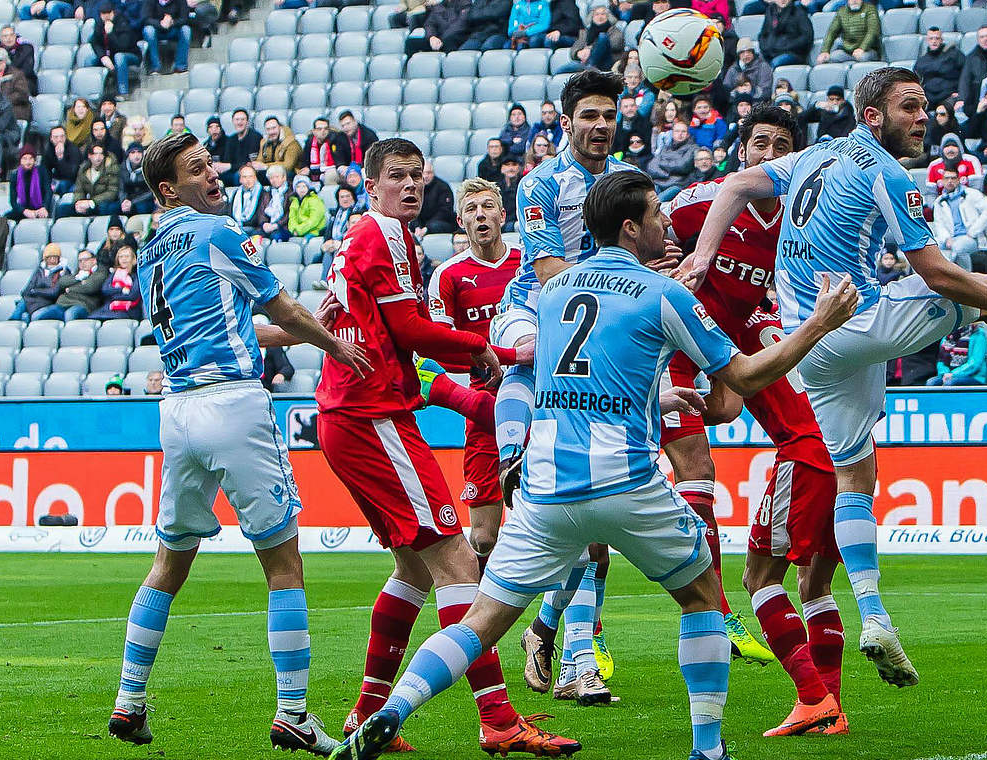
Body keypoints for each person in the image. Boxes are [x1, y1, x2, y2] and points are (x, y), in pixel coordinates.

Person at [333, 167, 860, 760]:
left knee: (479, 621)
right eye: (659, 215)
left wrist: (642, 399)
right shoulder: (666, 294)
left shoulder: (551, 293)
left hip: (545, 491)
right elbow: (740, 377)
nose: (668, 224)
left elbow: (556, 380)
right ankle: (708, 749)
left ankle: (391, 710)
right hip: (627, 485)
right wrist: (818, 324)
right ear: (632, 228)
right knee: (703, 596)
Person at [684, 67, 987, 689]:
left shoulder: (814, 155)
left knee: (855, 474)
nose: (925, 117)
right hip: (853, 318)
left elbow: (734, 183)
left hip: (807, 342)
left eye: (926, 106)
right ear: (873, 117)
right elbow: (936, 273)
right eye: (910, 107)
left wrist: (703, 254)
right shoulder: (886, 172)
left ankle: (873, 615)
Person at [270, 137, 574, 757]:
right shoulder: (381, 236)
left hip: (357, 412)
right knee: (460, 565)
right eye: (396, 177)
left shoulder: (388, 239)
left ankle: (367, 715)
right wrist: (478, 348)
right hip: (371, 412)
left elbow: (385, 324)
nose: (409, 186)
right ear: (372, 182)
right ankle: (498, 719)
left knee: (413, 567)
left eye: (417, 176)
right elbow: (409, 329)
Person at [105, 130, 370, 754]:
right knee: (283, 561)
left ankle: (129, 698)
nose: (213, 173)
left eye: (209, 163)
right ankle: (294, 712)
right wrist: (334, 344)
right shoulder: (218, 232)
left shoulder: (149, 254)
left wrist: (304, 333)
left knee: (169, 563)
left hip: (177, 411)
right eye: (198, 169)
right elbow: (281, 309)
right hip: (233, 404)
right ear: (170, 188)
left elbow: (229, 325)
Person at [663, 102, 856, 736]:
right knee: (813, 584)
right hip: (701, 345)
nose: (768, 154)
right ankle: (822, 701)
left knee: (771, 578)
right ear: (742, 150)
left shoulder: (809, 225)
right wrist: (666, 261)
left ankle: (813, 695)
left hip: (767, 373)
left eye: (781, 144)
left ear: (794, 158)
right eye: (759, 143)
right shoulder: (708, 202)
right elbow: (654, 227)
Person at [491, 71, 638, 695]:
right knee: (525, 355)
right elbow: (551, 272)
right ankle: (514, 450)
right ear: (565, 119)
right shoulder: (541, 184)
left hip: (603, 326)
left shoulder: (628, 183)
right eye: (590, 115)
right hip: (540, 309)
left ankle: (549, 629)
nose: (601, 126)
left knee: (595, 528)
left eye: (609, 115)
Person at [427, 178, 523, 564]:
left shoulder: (528, 262)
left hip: (539, 402)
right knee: (483, 537)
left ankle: (571, 624)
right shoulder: (448, 275)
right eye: (471, 209)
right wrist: (495, 357)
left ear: (503, 215)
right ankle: (480, 622)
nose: (480, 215)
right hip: (483, 409)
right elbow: (441, 347)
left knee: (566, 528)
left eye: (487, 207)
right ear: (460, 221)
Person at [931, 167, 987, 272]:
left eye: (953, 178)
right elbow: (939, 224)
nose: (950, 181)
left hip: (972, 237)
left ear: (959, 180)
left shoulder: (972, 194)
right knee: (930, 248)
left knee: (959, 247)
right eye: (947, 178)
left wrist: (973, 232)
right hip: (950, 238)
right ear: (942, 181)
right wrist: (946, 238)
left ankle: (966, 277)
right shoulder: (939, 201)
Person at [55, 144, 122, 219]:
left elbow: (112, 192)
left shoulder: (111, 168)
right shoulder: (84, 169)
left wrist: (91, 202)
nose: (98, 157)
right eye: (95, 154)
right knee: (62, 209)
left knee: (104, 207)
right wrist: (78, 203)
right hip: (89, 203)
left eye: (101, 154)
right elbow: (79, 190)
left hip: (103, 202)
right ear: (89, 156)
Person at [92, 1, 141, 98]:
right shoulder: (99, 23)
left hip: (130, 55)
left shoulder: (122, 22)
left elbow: (123, 46)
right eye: (103, 14)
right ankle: (93, 92)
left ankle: (123, 92)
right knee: (89, 59)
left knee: (119, 57)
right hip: (109, 56)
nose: (106, 16)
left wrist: (110, 33)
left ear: (113, 12)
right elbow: (94, 42)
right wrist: (103, 57)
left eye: (108, 13)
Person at [13, 243, 70, 321]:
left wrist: (35, 291)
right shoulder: (39, 271)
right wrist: (35, 291)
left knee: (32, 310)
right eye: (50, 257)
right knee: (24, 300)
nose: (52, 259)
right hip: (34, 300)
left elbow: (54, 292)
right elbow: (26, 290)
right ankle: (12, 321)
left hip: (50, 303)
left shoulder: (63, 272)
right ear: (45, 258)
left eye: (55, 257)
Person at [913, 27, 965, 109]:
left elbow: (966, 75)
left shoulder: (954, 54)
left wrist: (961, 95)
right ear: (927, 40)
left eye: (937, 38)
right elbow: (917, 82)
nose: (934, 41)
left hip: (950, 97)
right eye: (931, 39)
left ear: (941, 40)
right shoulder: (921, 61)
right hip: (928, 99)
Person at [648, 120, 696, 201]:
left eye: (683, 131)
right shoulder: (665, 148)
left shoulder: (693, 148)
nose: (680, 134)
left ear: (688, 134)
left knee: (655, 201)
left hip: (677, 185)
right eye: (677, 131)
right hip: (659, 183)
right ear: (672, 133)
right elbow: (651, 166)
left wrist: (662, 164)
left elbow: (682, 166)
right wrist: (666, 174)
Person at [91, 246, 143, 319]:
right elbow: (105, 290)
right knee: (91, 318)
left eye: (127, 256)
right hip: (109, 308)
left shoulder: (138, 276)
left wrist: (112, 294)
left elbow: (133, 295)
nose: (123, 259)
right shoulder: (113, 275)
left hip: (129, 310)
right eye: (121, 257)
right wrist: (121, 290)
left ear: (133, 259)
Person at [141, 0, 192, 74]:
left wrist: (172, 22)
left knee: (186, 30)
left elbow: (184, 18)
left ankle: (180, 67)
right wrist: (160, 24)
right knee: (148, 30)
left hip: (174, 29)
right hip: (156, 30)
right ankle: (155, 67)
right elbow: (145, 18)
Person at [758, 0, 813, 69]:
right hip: (770, 53)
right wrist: (766, 47)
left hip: (792, 53)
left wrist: (784, 47)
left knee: (774, 64)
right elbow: (763, 35)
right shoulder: (770, 12)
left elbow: (807, 37)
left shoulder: (798, 12)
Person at [0, 48, 30, 124]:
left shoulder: (17, 75)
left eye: (0, 60)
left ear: (6, 61)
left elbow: (22, 95)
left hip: (13, 110)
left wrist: (0, 102)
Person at [301, 117, 350, 185]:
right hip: (315, 172)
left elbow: (340, 163)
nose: (323, 131)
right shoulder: (309, 142)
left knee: (330, 175)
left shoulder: (336, 140)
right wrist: (305, 168)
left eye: (326, 128)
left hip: (334, 171)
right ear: (314, 131)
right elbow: (304, 162)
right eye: (319, 129)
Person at [7, 147, 51, 220]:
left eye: (31, 158)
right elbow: (13, 201)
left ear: (34, 160)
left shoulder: (42, 172)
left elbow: (48, 192)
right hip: (24, 210)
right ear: (20, 160)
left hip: (40, 209)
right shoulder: (15, 175)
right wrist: (24, 211)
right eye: (25, 158)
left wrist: (44, 207)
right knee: (6, 218)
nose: (28, 162)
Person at [45, 125, 84, 195]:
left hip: (73, 181)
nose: (59, 140)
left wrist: (60, 158)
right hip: (56, 179)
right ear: (51, 138)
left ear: (65, 137)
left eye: (62, 136)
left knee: (62, 185)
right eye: (56, 137)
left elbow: (71, 174)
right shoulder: (49, 149)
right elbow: (45, 169)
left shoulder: (73, 150)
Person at [285, 175, 327, 239]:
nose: (302, 189)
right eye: (298, 187)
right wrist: (294, 229)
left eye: (304, 186)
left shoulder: (314, 200)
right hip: (299, 230)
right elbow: (292, 218)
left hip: (314, 231)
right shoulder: (294, 201)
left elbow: (314, 220)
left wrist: (299, 230)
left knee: (305, 242)